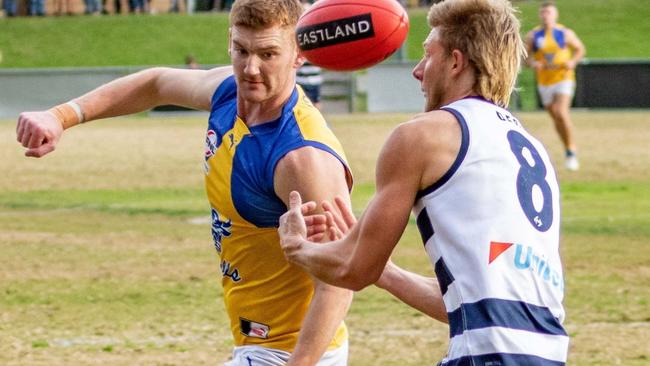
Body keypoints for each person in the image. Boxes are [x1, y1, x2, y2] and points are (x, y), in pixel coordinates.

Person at [16, 0, 353, 365]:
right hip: (259, 341)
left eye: (268, 54)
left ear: (298, 54)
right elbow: (156, 83)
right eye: (241, 50)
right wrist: (60, 116)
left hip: (291, 351)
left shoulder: (303, 158)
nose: (250, 68)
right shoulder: (228, 92)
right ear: (229, 40)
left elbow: (338, 278)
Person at [279, 0, 569, 365]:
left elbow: (352, 270)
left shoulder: (422, 136)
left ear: (455, 61)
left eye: (428, 54)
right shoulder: (530, 147)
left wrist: (297, 247)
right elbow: (469, 305)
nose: (417, 70)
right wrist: (384, 271)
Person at [525, 1, 585, 171]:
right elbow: (525, 57)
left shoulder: (565, 33)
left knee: (561, 111)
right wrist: (533, 63)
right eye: (543, 13)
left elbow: (580, 49)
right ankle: (567, 147)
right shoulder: (533, 35)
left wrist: (573, 61)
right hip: (545, 82)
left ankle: (571, 151)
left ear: (555, 15)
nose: (546, 16)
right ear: (540, 15)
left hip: (564, 78)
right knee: (556, 118)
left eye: (549, 12)